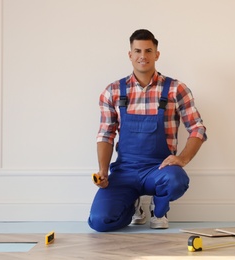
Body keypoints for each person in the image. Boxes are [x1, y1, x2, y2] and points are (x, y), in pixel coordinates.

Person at [88, 29, 207, 232]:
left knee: (176, 180)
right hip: (125, 171)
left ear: (156, 54)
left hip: (159, 169)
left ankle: (158, 210)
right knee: (100, 221)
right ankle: (132, 205)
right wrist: (102, 171)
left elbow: (197, 128)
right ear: (130, 54)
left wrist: (183, 159)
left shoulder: (175, 89)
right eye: (138, 51)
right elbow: (105, 135)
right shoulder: (113, 91)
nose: (143, 56)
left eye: (148, 50)